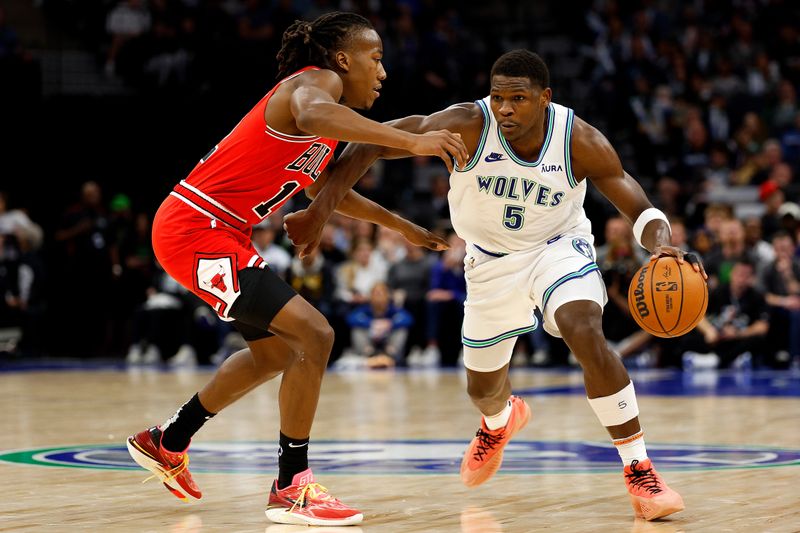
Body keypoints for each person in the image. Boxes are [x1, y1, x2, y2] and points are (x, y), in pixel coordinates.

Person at [284, 49, 707, 521]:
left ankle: (640, 471)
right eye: (498, 96)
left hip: (558, 248)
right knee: (483, 388)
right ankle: (498, 422)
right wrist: (320, 213)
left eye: (518, 99)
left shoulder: (579, 139)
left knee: (583, 329)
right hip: (487, 263)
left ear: (545, 99)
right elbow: (370, 146)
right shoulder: (466, 123)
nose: (505, 108)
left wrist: (661, 244)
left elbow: (637, 205)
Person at [125, 11, 468, 527]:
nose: (382, 72)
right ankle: (291, 486)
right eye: (375, 59)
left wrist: (401, 226)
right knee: (316, 334)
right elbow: (312, 112)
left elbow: (327, 192)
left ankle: (167, 440)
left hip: (217, 234)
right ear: (343, 59)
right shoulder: (315, 84)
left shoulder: (324, 126)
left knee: (276, 353)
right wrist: (412, 141)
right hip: (196, 229)